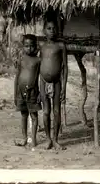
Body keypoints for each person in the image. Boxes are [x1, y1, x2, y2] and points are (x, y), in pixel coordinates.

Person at [39, 18, 68, 150]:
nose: (52, 31)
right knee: (46, 112)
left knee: (56, 111)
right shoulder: (42, 46)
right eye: (49, 28)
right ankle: (48, 139)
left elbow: (65, 67)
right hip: (43, 82)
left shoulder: (61, 46)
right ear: (44, 30)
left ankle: (56, 140)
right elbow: (37, 65)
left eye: (54, 28)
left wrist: (64, 87)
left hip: (57, 82)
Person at [14, 34, 41, 147]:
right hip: (20, 92)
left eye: (31, 46)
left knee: (34, 115)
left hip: (33, 92)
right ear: (23, 46)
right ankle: (24, 138)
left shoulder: (38, 60)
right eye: (26, 46)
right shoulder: (21, 59)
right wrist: (15, 93)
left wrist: (40, 93)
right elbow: (17, 77)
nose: (29, 48)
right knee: (23, 115)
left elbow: (41, 78)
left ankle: (33, 139)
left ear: (36, 47)